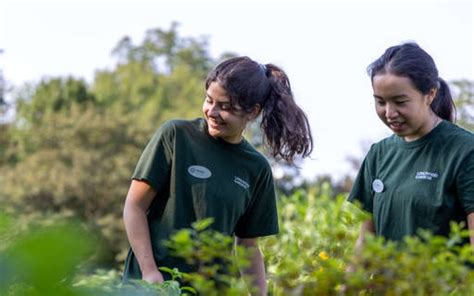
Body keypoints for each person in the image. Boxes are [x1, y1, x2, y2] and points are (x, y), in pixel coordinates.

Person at [122, 56, 313, 294]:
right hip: (149, 285)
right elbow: (134, 207)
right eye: (209, 100)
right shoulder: (176, 136)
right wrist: (149, 271)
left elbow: (248, 247)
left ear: (252, 112)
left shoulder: (256, 168)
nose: (212, 111)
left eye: (225, 107)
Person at [348, 42, 474, 252]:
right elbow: (365, 243)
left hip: (446, 285)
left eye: (400, 101)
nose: (389, 112)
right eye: (380, 102)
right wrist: (346, 284)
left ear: (430, 94)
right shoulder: (379, 154)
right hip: (388, 285)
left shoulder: (464, 151)